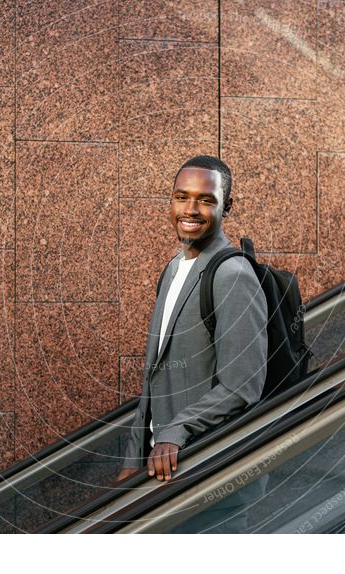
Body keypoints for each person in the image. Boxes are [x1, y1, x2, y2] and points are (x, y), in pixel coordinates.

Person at [115, 155, 269, 532]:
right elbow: (154, 377)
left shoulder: (232, 275)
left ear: (227, 207)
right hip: (164, 479)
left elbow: (241, 386)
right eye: (182, 197)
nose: (191, 209)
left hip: (211, 490)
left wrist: (176, 430)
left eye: (206, 200)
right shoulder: (173, 268)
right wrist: (134, 457)